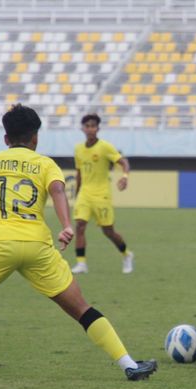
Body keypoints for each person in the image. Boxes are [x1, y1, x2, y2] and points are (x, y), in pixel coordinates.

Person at [0, 105, 156, 381]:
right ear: (35, 138)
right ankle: (128, 364)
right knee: (82, 310)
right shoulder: (45, 163)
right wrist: (66, 225)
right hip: (38, 247)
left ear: (6, 139)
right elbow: (57, 190)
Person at [71, 113, 134, 274]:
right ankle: (81, 263)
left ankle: (126, 254)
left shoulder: (105, 147)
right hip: (85, 194)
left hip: (101, 195)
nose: (90, 129)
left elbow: (123, 162)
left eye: (93, 126)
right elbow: (79, 173)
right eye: (87, 126)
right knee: (79, 226)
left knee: (108, 231)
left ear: (98, 128)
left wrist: (125, 177)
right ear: (82, 128)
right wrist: (77, 193)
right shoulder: (78, 149)